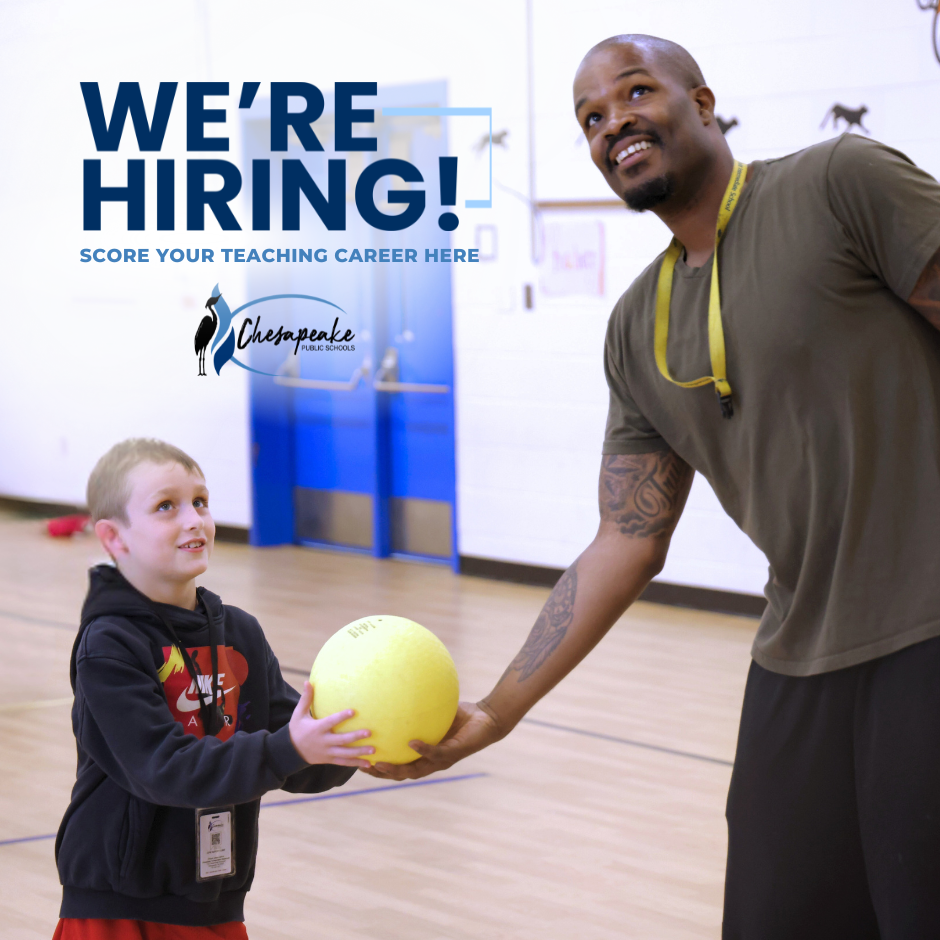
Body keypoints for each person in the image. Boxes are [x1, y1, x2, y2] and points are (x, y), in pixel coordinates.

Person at [364, 33, 940, 938]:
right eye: (591, 118)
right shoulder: (637, 325)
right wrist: (498, 711)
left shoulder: (840, 182)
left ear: (703, 103)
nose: (614, 124)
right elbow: (626, 538)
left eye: (635, 93)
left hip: (928, 630)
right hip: (796, 656)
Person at [53, 439, 375, 940]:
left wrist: (359, 744)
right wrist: (289, 748)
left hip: (216, 900)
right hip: (118, 908)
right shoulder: (109, 646)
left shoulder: (240, 633)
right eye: (166, 507)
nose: (193, 520)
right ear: (114, 539)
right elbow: (164, 767)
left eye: (200, 502)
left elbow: (294, 742)